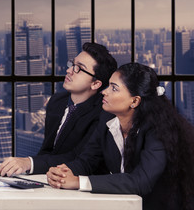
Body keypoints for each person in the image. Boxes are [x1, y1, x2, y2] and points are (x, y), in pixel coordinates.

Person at [46, 63, 194, 210]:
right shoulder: (106, 119)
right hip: (123, 205)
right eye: (108, 85)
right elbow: (87, 161)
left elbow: (140, 181)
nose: (105, 92)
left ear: (134, 101)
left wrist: (79, 182)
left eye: (114, 88)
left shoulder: (158, 130)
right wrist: (63, 173)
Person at [0, 42, 117, 176]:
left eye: (79, 69)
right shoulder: (57, 101)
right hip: (51, 178)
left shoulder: (103, 114)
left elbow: (77, 158)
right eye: (72, 64)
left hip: (81, 184)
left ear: (95, 84)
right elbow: (47, 150)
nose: (69, 70)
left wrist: (29, 163)